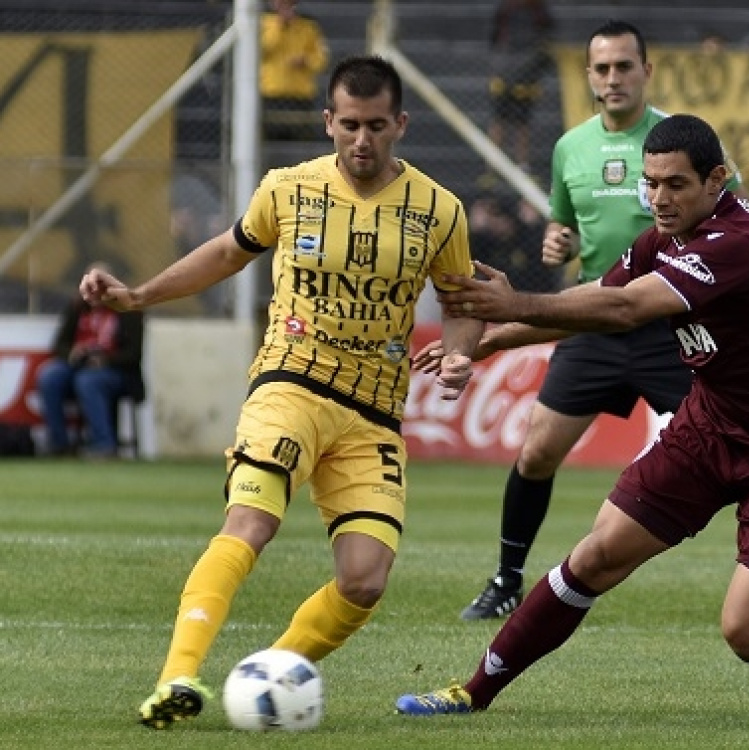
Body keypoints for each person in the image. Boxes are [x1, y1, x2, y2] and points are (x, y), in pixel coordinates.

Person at [395, 113, 749, 717]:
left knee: (747, 634)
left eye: (676, 185)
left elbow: (625, 310)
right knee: (596, 554)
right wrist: (490, 340)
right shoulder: (660, 241)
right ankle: (471, 694)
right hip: (709, 428)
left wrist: (512, 302)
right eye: (651, 183)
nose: (659, 199)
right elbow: (592, 301)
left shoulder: (739, 242)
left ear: (716, 179)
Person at [79, 55, 484, 729]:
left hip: (374, 413)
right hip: (290, 382)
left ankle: (267, 676)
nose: (361, 139)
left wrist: (461, 352)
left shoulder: (439, 210)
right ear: (327, 122)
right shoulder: (288, 189)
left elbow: (462, 299)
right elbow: (226, 252)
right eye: (349, 124)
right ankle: (177, 676)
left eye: (375, 125)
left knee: (364, 581)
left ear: (401, 124)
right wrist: (140, 295)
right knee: (251, 523)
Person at [421, 20, 749, 621]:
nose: (613, 77)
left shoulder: (680, 142)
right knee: (537, 452)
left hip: (669, 325)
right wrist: (559, 240)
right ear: (589, 76)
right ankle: (506, 580)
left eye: (624, 66)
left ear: (646, 71)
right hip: (594, 317)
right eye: (602, 68)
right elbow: (565, 225)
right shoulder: (570, 147)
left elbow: (733, 215)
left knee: (734, 453)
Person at [37, 266, 144, 458]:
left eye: (99, 285)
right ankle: (59, 444)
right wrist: (73, 352)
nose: (94, 290)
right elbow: (59, 344)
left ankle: (104, 445)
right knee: (50, 375)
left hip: (116, 371)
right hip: (79, 366)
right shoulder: (76, 307)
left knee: (88, 381)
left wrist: (105, 360)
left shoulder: (129, 310)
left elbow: (134, 354)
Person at [486, 0, 555, 171]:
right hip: (509, 69)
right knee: (501, 119)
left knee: (521, 121)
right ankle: (494, 163)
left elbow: (547, 36)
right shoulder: (509, 8)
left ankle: (520, 164)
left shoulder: (536, 9)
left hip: (524, 72)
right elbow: (496, 37)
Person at [260, 0, 330, 141]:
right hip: (271, 92)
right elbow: (263, 49)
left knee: (299, 139)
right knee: (270, 139)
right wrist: (279, 26)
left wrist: (306, 61)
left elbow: (321, 59)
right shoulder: (263, 23)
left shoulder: (308, 27)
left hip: (300, 94)